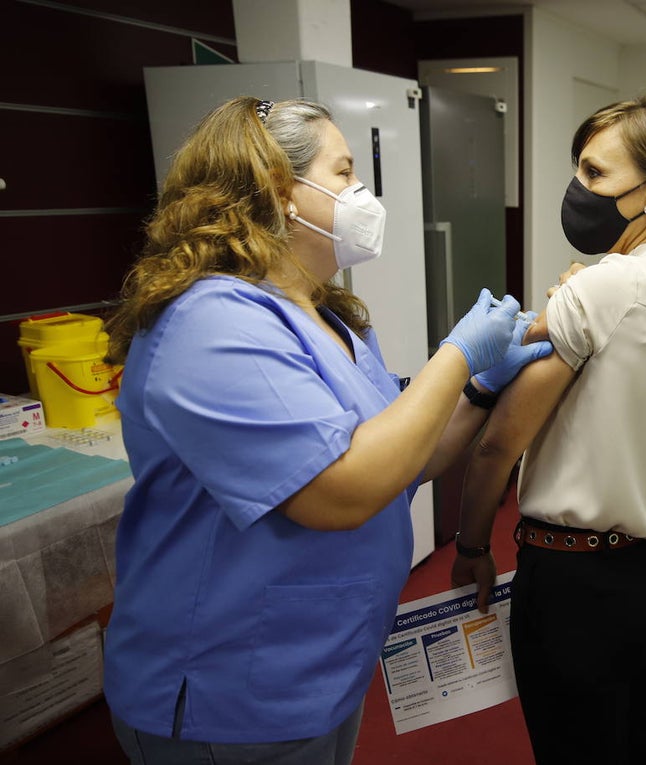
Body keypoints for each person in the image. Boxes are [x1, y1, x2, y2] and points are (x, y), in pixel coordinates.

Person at [101, 97, 551, 764]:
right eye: (345, 174)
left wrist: (479, 388)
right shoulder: (208, 323)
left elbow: (402, 456)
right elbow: (343, 488)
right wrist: (456, 355)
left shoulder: (329, 315)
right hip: (228, 689)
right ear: (284, 193)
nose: (362, 195)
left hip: (319, 663)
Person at [450, 94, 646, 764]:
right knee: (643, 740)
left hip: (575, 582)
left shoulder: (605, 287)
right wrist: (580, 299)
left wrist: (471, 543)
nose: (577, 188)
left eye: (594, 173)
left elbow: (500, 441)